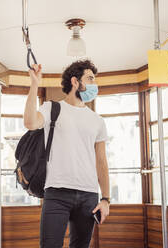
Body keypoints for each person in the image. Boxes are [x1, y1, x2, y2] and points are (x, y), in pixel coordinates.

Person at [23, 60, 110, 248]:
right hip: (56, 193)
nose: (95, 84)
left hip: (89, 196)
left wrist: (106, 199)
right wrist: (34, 84)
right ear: (75, 82)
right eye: (90, 79)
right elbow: (30, 123)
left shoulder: (97, 120)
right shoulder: (52, 108)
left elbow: (101, 162)